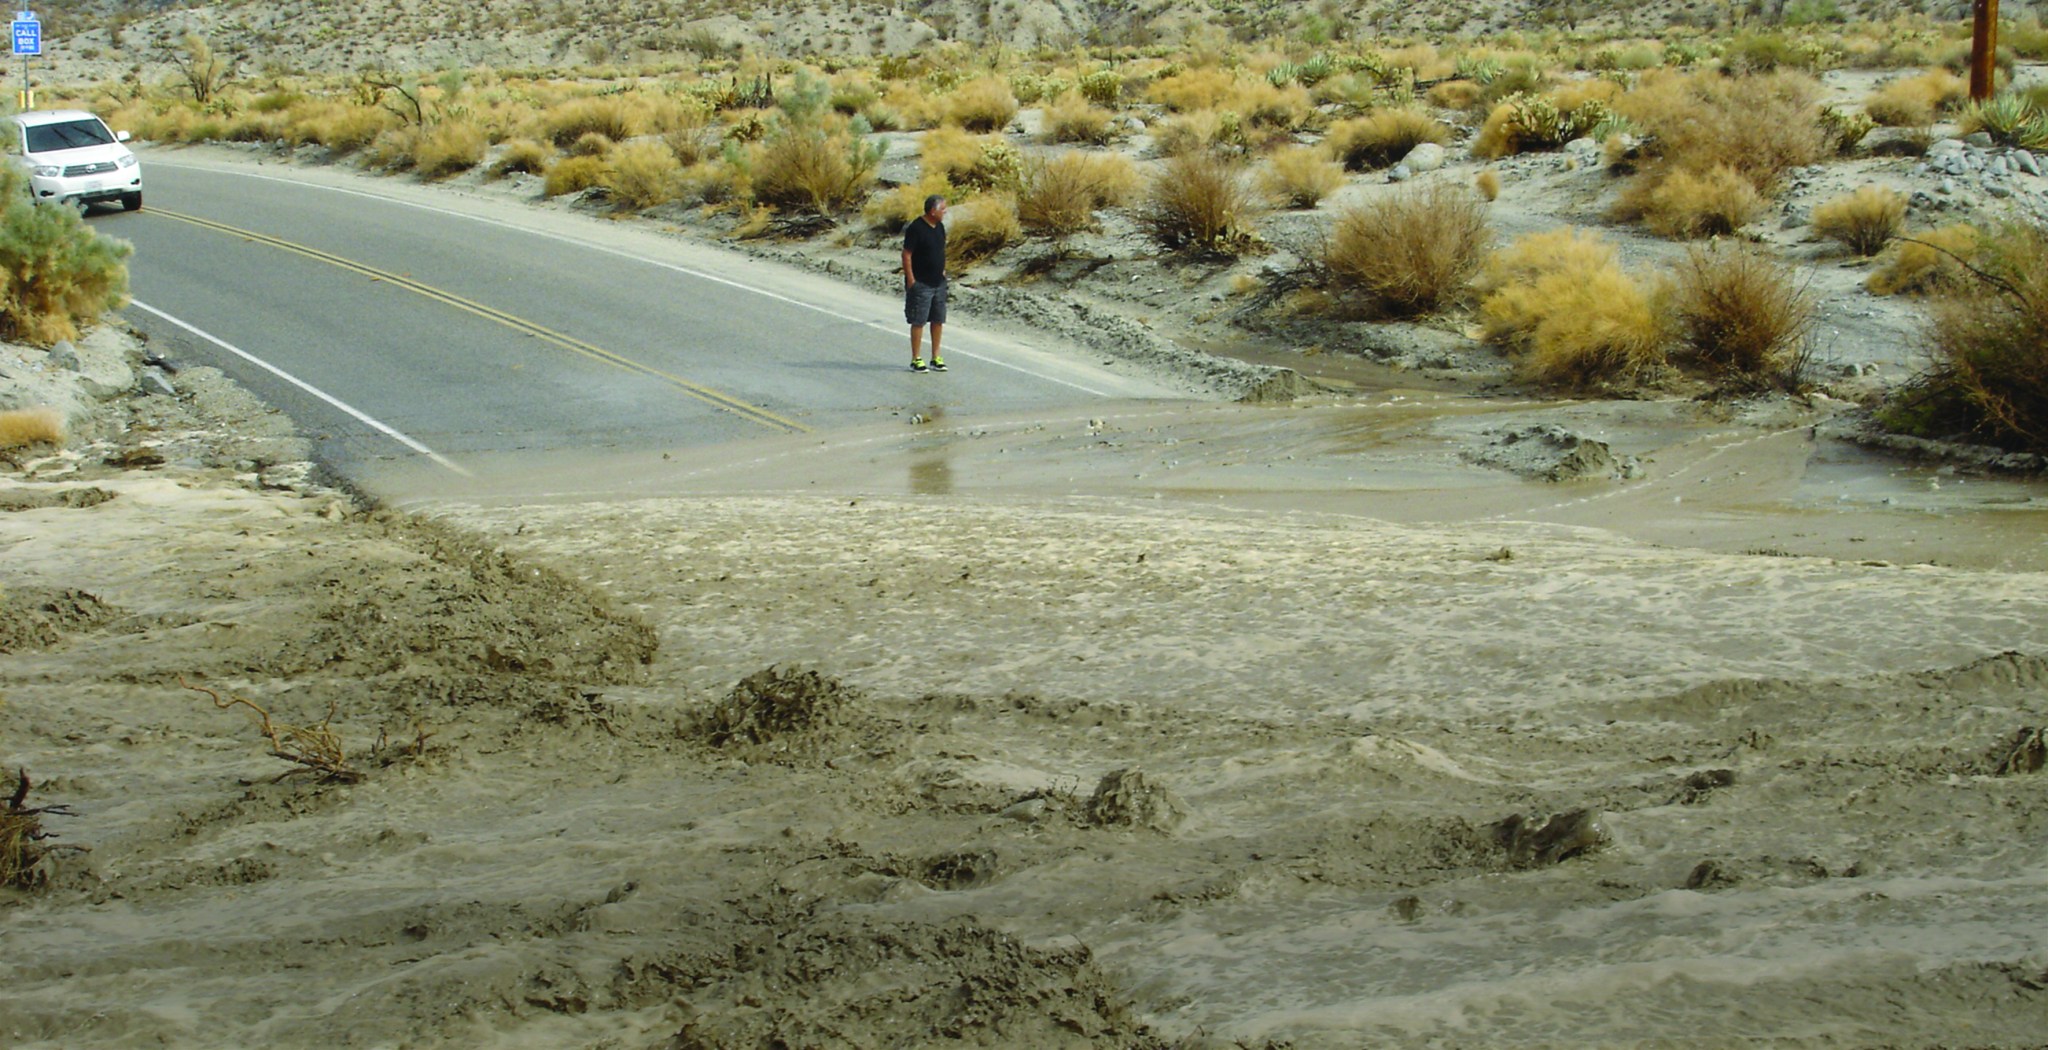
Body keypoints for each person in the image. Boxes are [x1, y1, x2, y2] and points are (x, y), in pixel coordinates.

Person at [901, 194, 949, 373]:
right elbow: (907, 254)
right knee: (919, 321)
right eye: (942, 209)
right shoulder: (916, 228)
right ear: (932, 211)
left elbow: (941, 250)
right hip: (921, 283)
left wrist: (943, 271)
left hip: (938, 282)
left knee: (938, 320)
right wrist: (911, 280)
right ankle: (916, 358)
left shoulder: (940, 227)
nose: (945, 212)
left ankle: (936, 356)